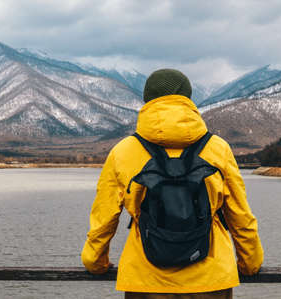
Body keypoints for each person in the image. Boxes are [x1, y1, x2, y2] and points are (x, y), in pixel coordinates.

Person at [81, 69, 264, 298]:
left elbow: (104, 218)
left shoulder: (123, 151)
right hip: (210, 280)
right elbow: (240, 216)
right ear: (188, 99)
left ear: (148, 100)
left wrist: (95, 261)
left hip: (145, 281)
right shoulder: (219, 148)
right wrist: (250, 263)